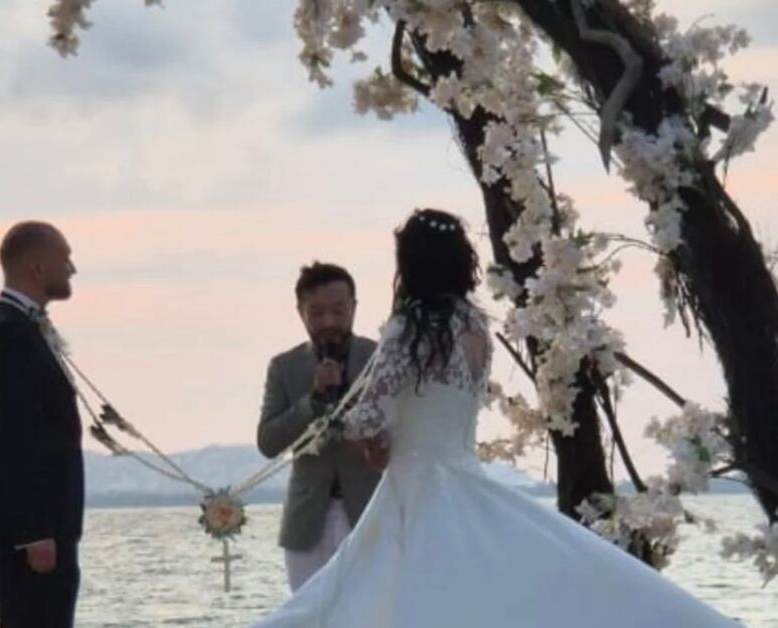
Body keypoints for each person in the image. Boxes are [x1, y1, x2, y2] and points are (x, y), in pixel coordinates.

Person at [255, 209, 739, 627]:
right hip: (465, 476)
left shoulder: (408, 326)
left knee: (371, 598)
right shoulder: (475, 324)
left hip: (416, 488)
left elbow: (366, 417)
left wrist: (351, 425)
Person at [0, 221, 85, 628]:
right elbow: (12, 439)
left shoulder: (18, 326)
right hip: (32, 530)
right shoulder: (8, 335)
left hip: (49, 524)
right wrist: (34, 532)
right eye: (65, 259)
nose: (72, 269)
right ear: (38, 268)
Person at [257, 262, 382, 592]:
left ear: (354, 307)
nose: (328, 322)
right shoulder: (284, 367)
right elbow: (268, 442)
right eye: (317, 312)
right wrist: (311, 401)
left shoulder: (380, 359)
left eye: (338, 310)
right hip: (307, 520)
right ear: (301, 313)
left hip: (371, 512)